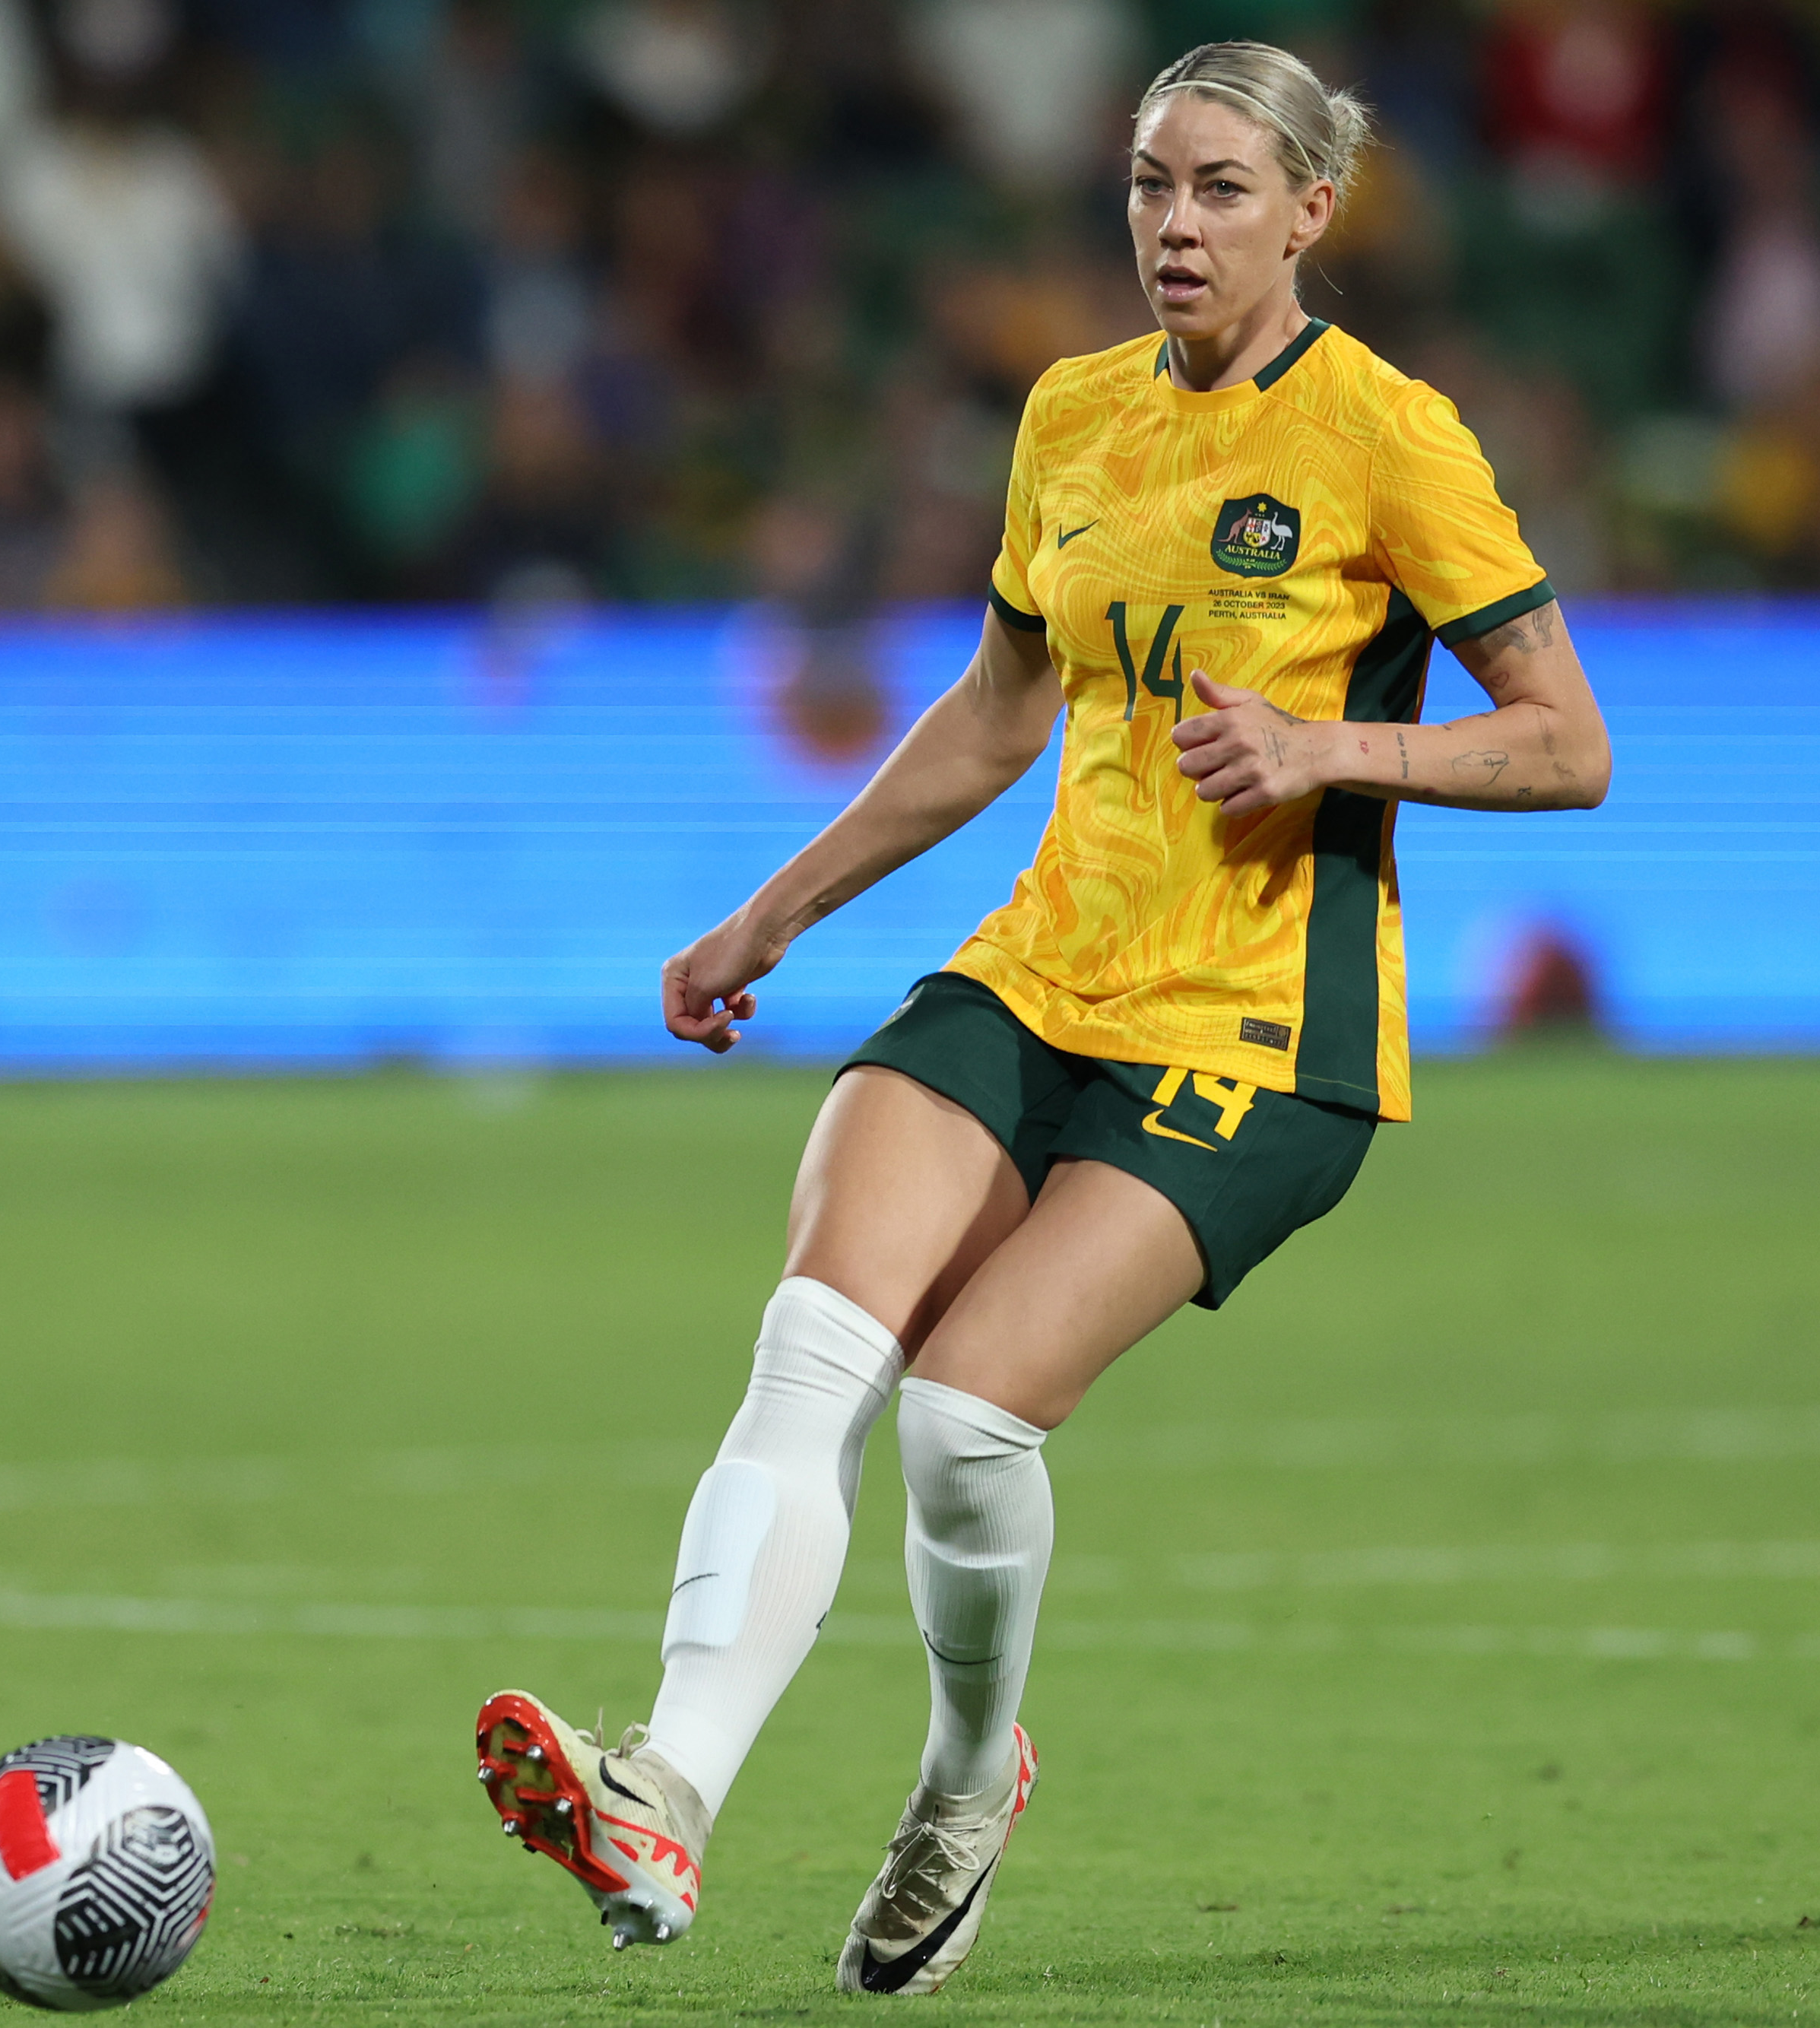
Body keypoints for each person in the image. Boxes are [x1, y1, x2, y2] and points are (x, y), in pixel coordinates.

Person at [473, 40, 1610, 1997]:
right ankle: (662, 1785)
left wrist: (1330, 740)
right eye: (1150, 185)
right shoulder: (1070, 417)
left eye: (1222, 190)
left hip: (1263, 1031)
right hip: (1034, 971)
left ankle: (965, 1781)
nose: (1174, 223)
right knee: (813, 1342)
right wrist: (774, 908)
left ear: (1310, 213)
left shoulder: (1386, 435)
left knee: (962, 1417)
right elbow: (1001, 710)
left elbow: (1567, 744)